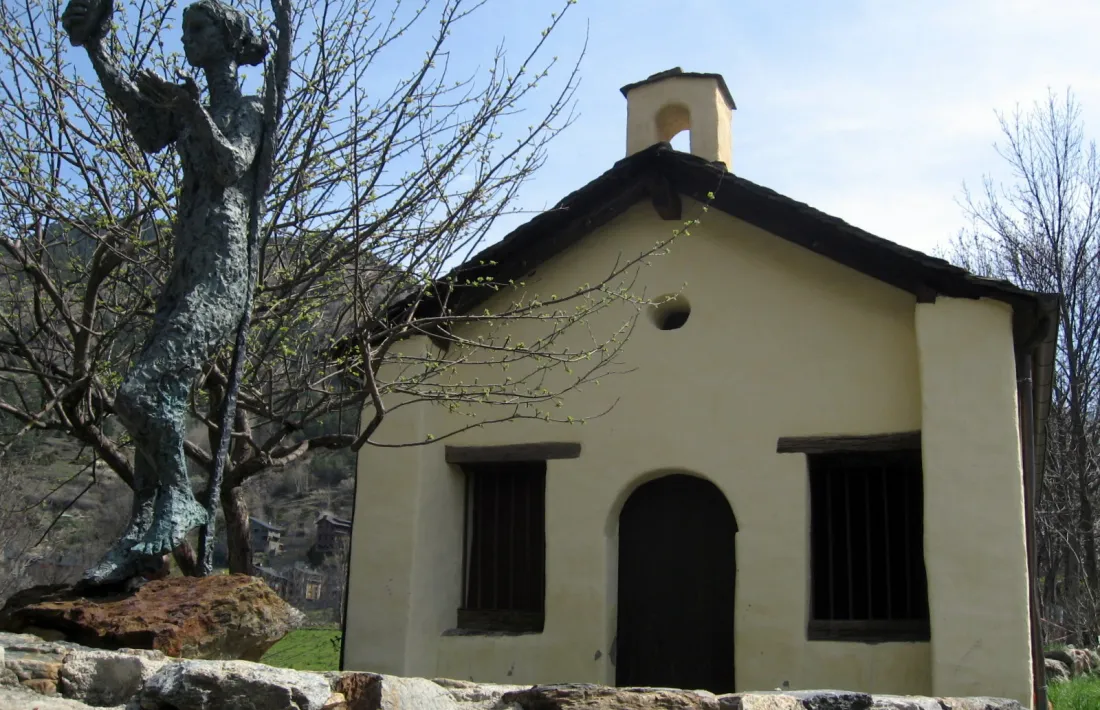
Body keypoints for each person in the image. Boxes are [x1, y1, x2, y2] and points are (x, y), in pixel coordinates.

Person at [61, 0, 267, 581]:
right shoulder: (190, 103)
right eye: (184, 31)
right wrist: (97, 49)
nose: (187, 40)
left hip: (223, 275)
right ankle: (142, 541)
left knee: (140, 393)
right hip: (185, 270)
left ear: (225, 39)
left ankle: (175, 504)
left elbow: (231, 166)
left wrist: (194, 112)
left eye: (197, 29)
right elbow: (145, 122)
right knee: (162, 404)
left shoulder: (247, 106)